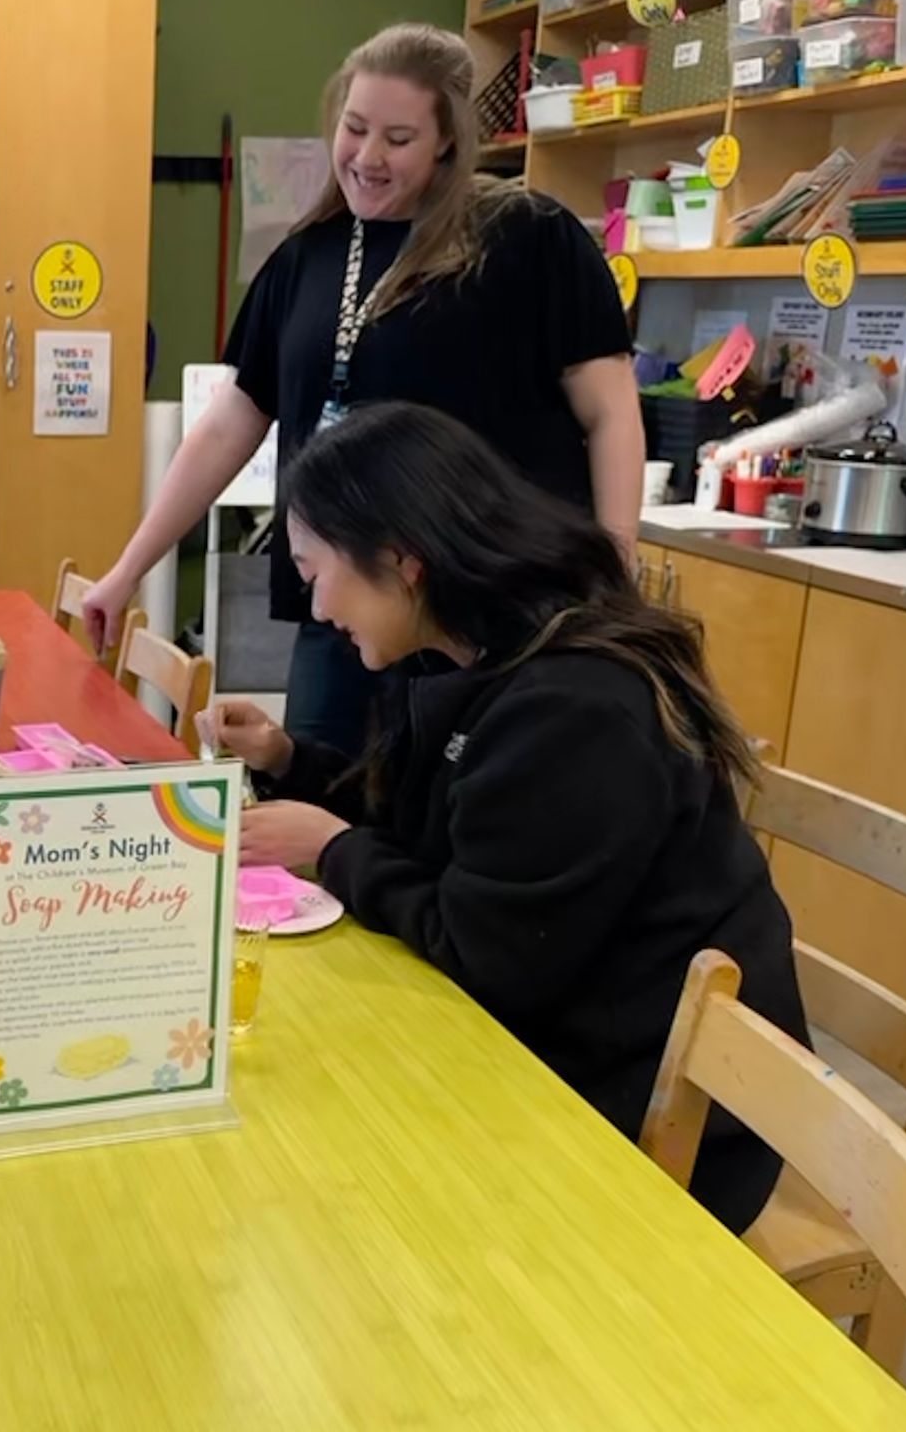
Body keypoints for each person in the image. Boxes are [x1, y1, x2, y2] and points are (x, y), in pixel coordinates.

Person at [205, 402, 806, 1233]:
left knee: (323, 1173)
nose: (315, 609)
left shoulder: (576, 706)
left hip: (655, 1118)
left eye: (314, 573)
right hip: (559, 1035)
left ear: (400, 561)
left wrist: (336, 849)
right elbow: (443, 832)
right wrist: (288, 762)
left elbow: (483, 955)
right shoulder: (477, 652)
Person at [83, 23, 645, 754]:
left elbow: (611, 414)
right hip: (343, 612)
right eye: (354, 129)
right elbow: (232, 423)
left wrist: (616, 569)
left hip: (488, 611)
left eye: (399, 138)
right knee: (321, 805)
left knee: (459, 829)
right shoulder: (306, 256)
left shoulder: (528, 239)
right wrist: (128, 570)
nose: (368, 158)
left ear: (448, 141)